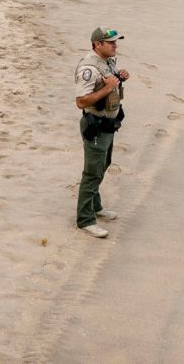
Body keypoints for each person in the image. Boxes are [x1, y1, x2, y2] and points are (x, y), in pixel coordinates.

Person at [74, 27, 129, 239]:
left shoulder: (107, 62)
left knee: (103, 164)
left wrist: (119, 78)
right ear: (97, 44)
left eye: (116, 42)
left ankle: (95, 206)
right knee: (92, 172)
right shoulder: (88, 68)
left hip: (108, 123)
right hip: (95, 125)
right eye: (111, 42)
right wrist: (108, 88)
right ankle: (85, 219)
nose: (115, 45)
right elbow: (81, 101)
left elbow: (109, 84)